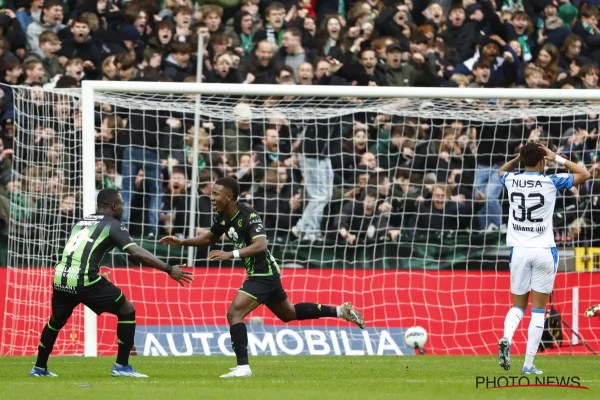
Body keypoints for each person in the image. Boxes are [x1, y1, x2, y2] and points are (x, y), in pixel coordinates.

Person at [159, 177, 365, 378]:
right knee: (289, 313)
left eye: (216, 194)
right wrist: (182, 242)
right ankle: (340, 310)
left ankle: (243, 367)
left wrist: (230, 254)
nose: (212, 198)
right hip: (262, 273)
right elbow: (209, 237)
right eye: (211, 193)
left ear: (229, 197)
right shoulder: (223, 216)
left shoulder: (249, 215)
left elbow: (261, 246)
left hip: (263, 273)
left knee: (234, 314)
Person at [30, 189, 192, 378]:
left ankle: (39, 368)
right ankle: (122, 366)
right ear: (114, 206)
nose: (123, 208)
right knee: (127, 310)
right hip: (84, 279)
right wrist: (169, 268)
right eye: (122, 204)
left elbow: (80, 253)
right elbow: (136, 252)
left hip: (61, 277)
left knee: (56, 320)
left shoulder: (81, 222)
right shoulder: (113, 225)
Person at [496, 143, 590, 374]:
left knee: (518, 306)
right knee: (538, 311)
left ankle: (506, 337)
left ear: (523, 160)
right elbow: (584, 174)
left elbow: (501, 171)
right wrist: (556, 157)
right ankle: (528, 365)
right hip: (544, 250)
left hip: (519, 251)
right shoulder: (551, 181)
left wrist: (518, 159)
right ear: (542, 161)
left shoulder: (511, 179)